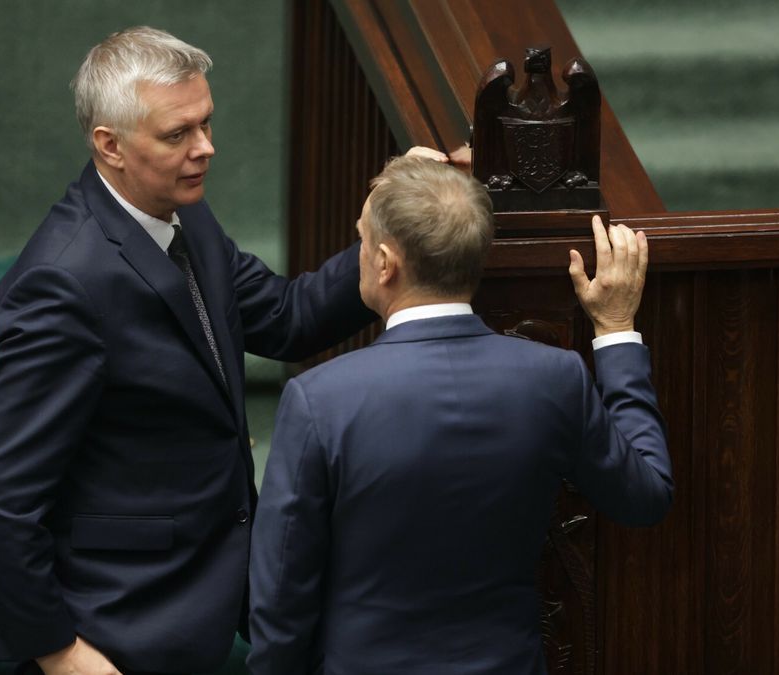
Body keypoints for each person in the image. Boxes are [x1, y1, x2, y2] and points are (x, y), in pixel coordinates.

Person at [0, 26, 383, 675]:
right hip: (119, 623)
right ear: (110, 145)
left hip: (200, 595)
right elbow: (0, 493)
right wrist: (58, 649)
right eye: (177, 134)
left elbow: (284, 315)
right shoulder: (63, 282)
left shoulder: (185, 216)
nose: (205, 148)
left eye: (206, 124)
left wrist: (394, 240)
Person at [247, 157, 673, 674]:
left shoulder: (319, 399)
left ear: (384, 262)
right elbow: (646, 494)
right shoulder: (555, 378)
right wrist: (617, 331)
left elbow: (282, 596)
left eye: (361, 240)